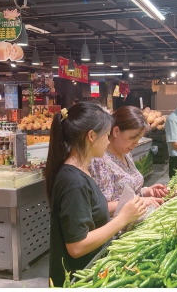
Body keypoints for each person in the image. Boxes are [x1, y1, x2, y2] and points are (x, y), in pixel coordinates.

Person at [45, 103, 147, 287]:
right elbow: (77, 246)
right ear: (91, 136)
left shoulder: (83, 172)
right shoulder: (73, 182)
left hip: (89, 271)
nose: (109, 141)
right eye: (106, 135)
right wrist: (122, 218)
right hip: (76, 280)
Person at [89, 106, 169, 216]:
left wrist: (146, 192)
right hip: (118, 229)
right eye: (133, 138)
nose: (136, 144)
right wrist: (139, 202)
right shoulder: (100, 160)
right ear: (116, 131)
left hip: (135, 219)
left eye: (139, 138)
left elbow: (129, 191)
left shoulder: (126, 154)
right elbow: (100, 207)